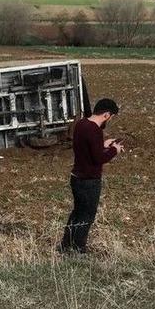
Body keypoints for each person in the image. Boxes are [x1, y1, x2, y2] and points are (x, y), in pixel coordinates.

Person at [59, 98, 124, 254]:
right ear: (106, 114)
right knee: (87, 216)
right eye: (111, 116)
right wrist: (114, 150)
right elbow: (98, 159)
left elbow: (87, 149)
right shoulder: (95, 130)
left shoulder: (81, 124)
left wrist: (102, 145)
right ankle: (78, 249)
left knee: (77, 212)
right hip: (89, 181)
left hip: (76, 178)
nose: (110, 119)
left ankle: (65, 245)